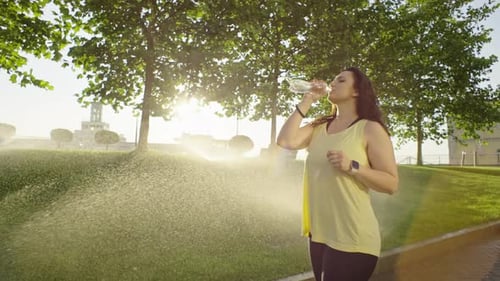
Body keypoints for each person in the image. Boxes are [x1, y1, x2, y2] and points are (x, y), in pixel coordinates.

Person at [277, 67, 399, 281]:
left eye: (340, 80)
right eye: (333, 80)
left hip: (353, 236)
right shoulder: (319, 126)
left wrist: (352, 166)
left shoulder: (370, 128)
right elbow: (286, 141)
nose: (332, 84)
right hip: (319, 235)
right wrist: (308, 100)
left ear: (356, 91)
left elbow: (390, 183)